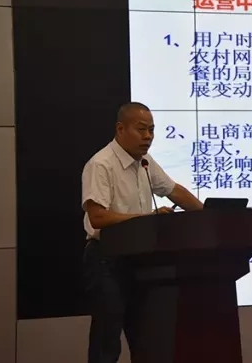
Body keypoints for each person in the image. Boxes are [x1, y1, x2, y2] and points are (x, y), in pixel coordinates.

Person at [81, 102, 203, 363]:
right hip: (107, 261)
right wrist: (147, 219)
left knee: (147, 340)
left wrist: (208, 214)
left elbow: (174, 191)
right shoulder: (101, 164)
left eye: (152, 130)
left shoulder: (145, 162)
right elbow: (97, 216)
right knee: (107, 342)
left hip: (141, 260)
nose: (148, 136)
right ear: (120, 129)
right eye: (141, 129)